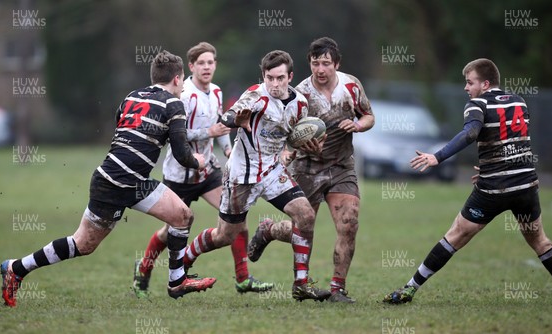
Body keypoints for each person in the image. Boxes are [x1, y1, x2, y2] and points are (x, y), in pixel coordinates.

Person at [0, 50, 217, 307]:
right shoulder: (173, 104)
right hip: (123, 181)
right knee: (85, 243)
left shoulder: (132, 96)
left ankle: (176, 281)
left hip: (115, 178)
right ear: (178, 79)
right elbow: (182, 155)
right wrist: (198, 161)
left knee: (179, 216)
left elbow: (123, 126)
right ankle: (17, 268)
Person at [382, 58, 552, 304]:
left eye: (469, 82)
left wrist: (438, 156)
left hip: (494, 189)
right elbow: (513, 143)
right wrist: (491, 164)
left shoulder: (477, 103)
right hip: (526, 185)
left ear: (485, 84)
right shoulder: (520, 101)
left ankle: (409, 289)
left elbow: (471, 133)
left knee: (455, 235)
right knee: (539, 239)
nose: (466, 88)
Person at [179, 50, 331, 302]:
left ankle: (301, 284)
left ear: (290, 76)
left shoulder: (300, 103)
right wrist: (236, 120)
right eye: (269, 77)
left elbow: (298, 136)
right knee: (225, 236)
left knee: (306, 216)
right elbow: (229, 116)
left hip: (272, 172)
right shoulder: (255, 96)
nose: (274, 83)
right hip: (242, 176)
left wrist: (307, 146)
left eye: (280, 78)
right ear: (263, 76)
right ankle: (183, 260)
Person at [132, 42, 273, 298]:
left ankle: (243, 279)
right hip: (179, 175)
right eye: (201, 63)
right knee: (169, 232)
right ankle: (143, 268)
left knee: (237, 217)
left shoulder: (217, 92)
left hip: (208, 172)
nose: (207, 67)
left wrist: (228, 150)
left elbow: (222, 125)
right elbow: (177, 133)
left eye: (211, 62)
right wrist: (209, 132)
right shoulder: (183, 95)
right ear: (192, 67)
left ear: (215, 65)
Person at [247, 37, 375, 303]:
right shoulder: (300, 93)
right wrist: (293, 151)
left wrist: (359, 126)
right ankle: (269, 230)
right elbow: (287, 134)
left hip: (342, 165)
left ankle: (338, 289)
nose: (320, 69)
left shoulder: (351, 86)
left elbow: (368, 115)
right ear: (309, 64)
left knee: (349, 224)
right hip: (307, 166)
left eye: (326, 63)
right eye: (315, 63)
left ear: (336, 64)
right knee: (302, 228)